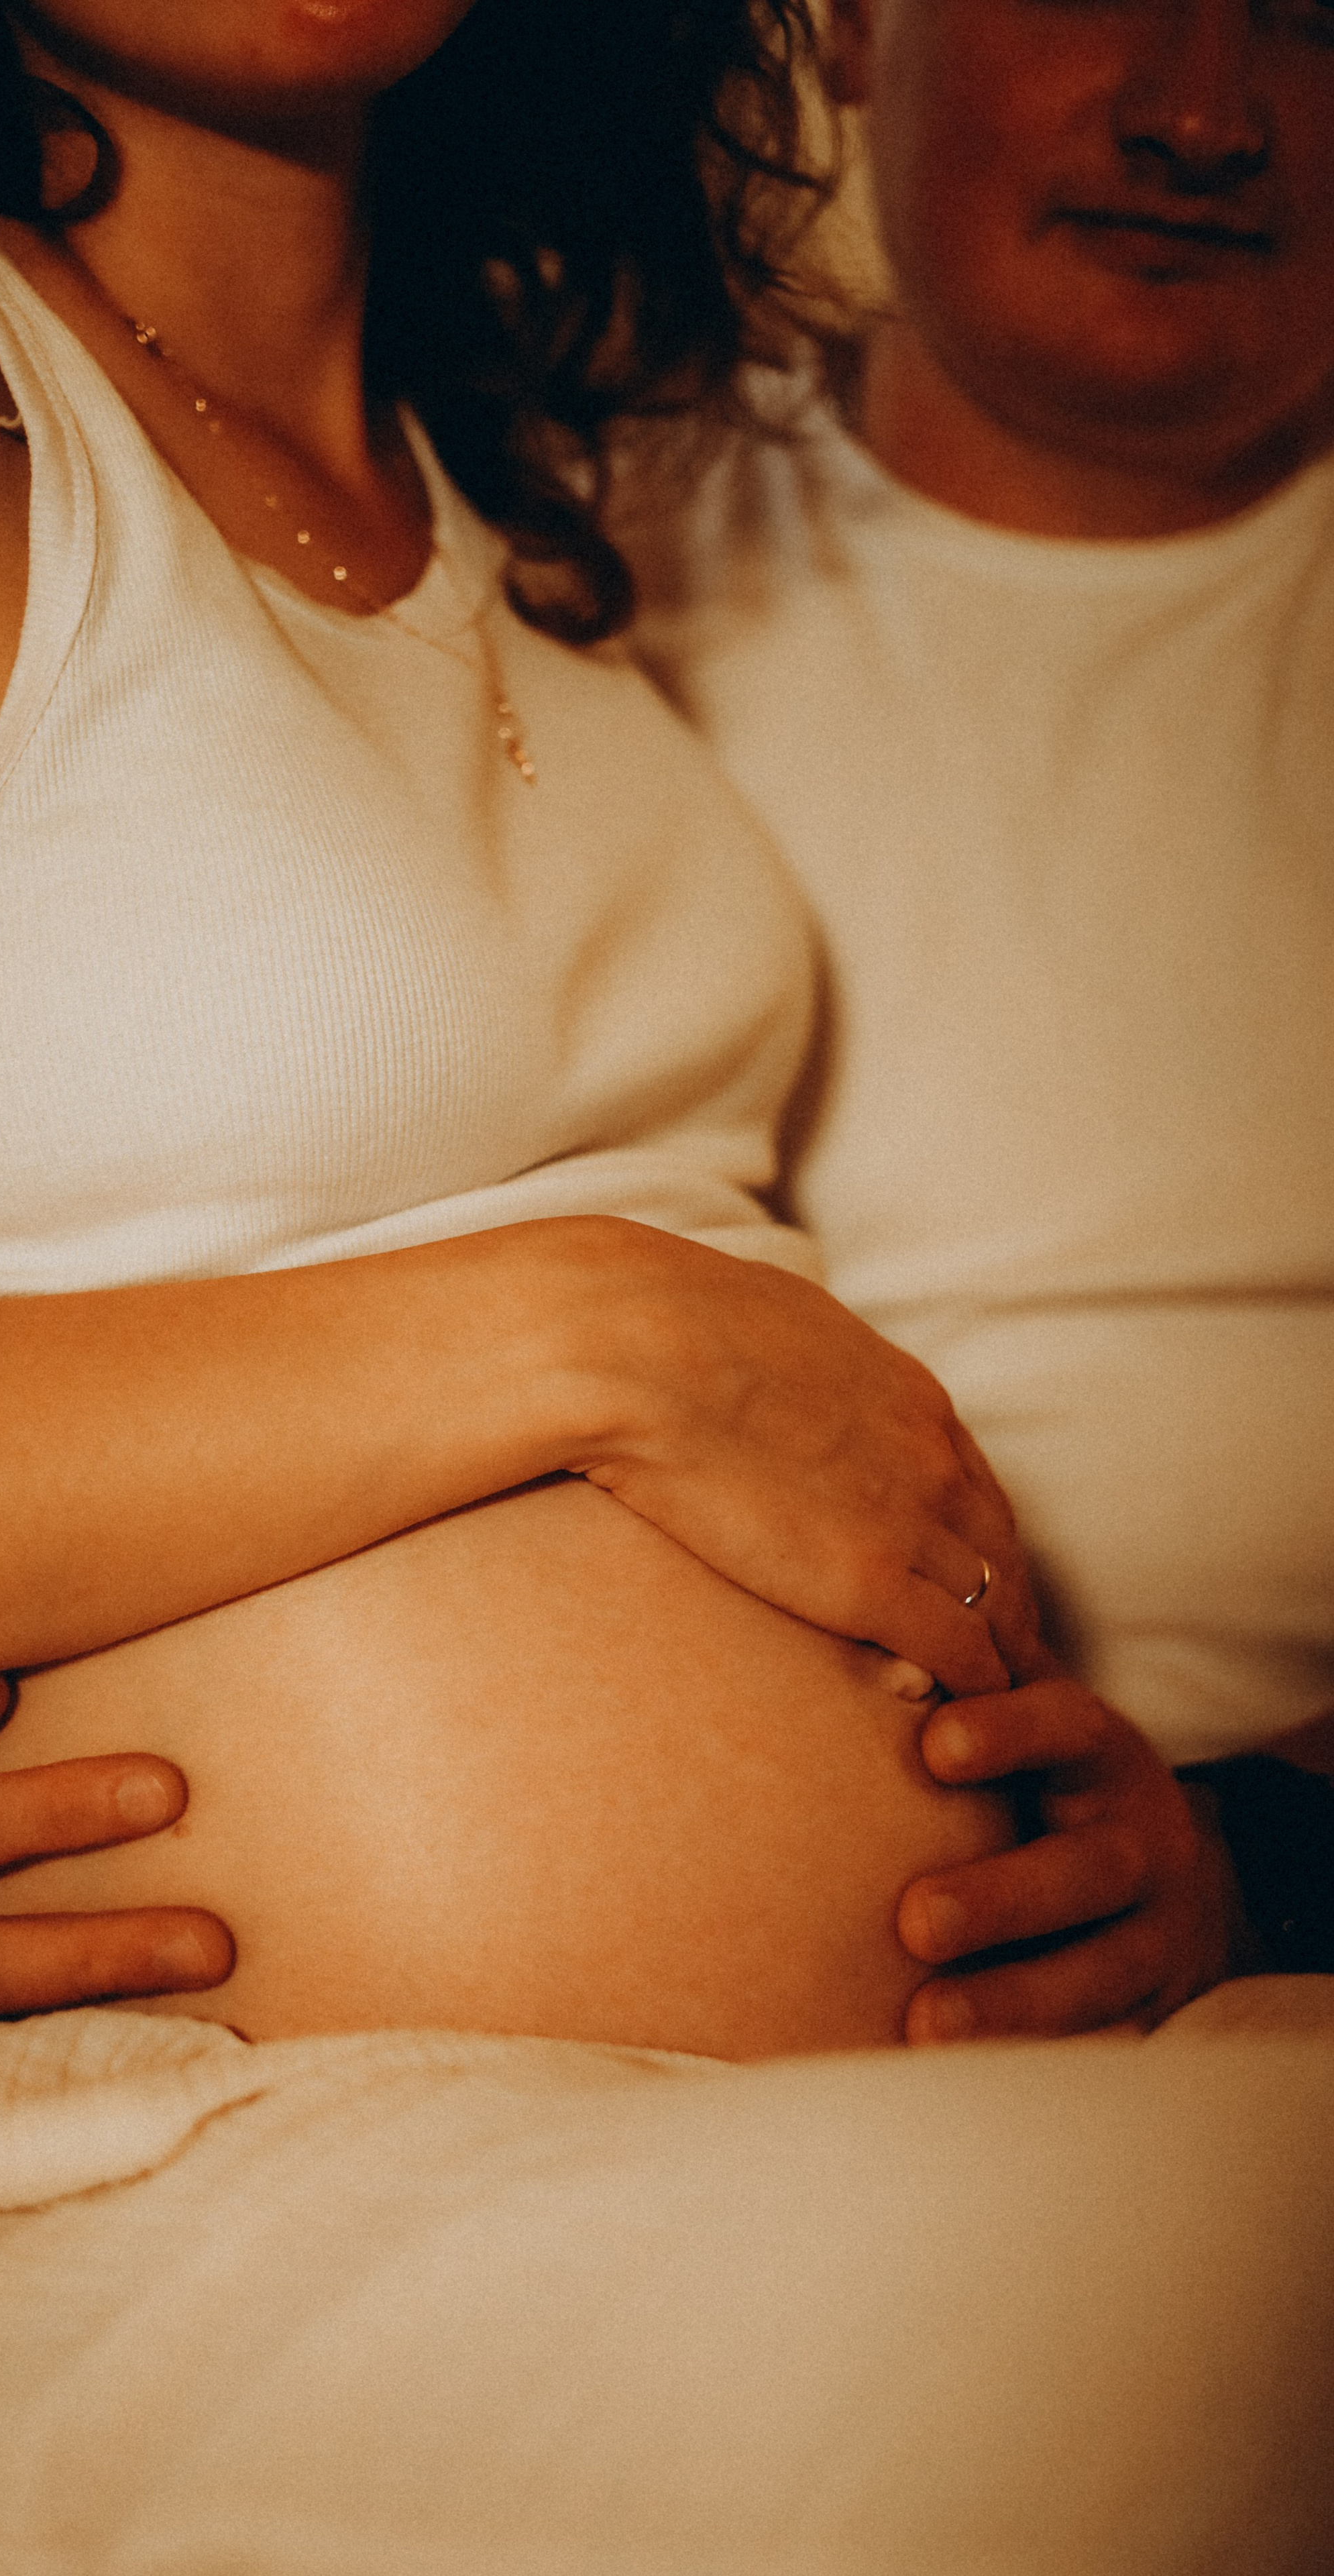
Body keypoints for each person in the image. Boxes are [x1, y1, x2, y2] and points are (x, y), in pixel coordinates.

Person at [0, 0, 1235, 2132]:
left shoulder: (509, 481)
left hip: (872, 2128)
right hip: (191, 2174)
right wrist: (592, 1338)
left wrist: (1149, 1853)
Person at [625, 0, 1334, 2011]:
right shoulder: (540, 550)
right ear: (850, 26)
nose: (1201, 111)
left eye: (1308, 17)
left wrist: (1262, 1873)